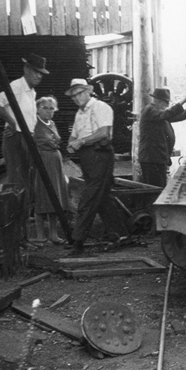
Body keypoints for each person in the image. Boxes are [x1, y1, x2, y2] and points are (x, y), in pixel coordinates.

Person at [0, 53, 49, 238]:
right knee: (17, 184)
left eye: (41, 73)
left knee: (28, 185)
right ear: (26, 70)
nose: (39, 76)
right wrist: (12, 123)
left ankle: (22, 233)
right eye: (36, 72)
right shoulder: (16, 86)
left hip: (28, 138)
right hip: (15, 138)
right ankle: (15, 233)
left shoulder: (32, 92)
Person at [65, 78, 127, 255]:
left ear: (87, 91)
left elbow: (103, 133)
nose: (76, 98)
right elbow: (73, 135)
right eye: (73, 96)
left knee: (90, 196)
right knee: (103, 196)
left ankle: (78, 241)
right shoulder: (79, 113)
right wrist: (71, 143)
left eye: (79, 94)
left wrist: (81, 141)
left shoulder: (101, 107)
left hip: (100, 154)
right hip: (86, 156)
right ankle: (120, 233)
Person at [32, 96, 68, 244]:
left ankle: (53, 234)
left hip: (55, 162)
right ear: (38, 109)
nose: (49, 111)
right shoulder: (33, 123)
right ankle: (41, 235)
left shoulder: (52, 123)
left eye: (51, 108)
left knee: (56, 197)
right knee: (41, 196)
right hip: (42, 162)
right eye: (45, 108)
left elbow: (56, 141)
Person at [138, 88, 186, 187]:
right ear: (158, 101)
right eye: (166, 103)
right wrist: (183, 101)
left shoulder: (157, 113)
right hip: (151, 159)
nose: (167, 106)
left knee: (158, 187)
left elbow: (175, 116)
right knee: (154, 189)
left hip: (158, 158)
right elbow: (166, 114)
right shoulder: (150, 110)